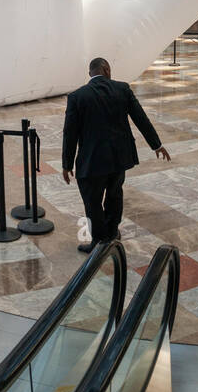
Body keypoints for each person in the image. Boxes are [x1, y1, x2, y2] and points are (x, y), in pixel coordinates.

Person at [61, 57, 170, 252]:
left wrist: (67, 164)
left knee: (92, 202)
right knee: (114, 195)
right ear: (107, 70)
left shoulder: (77, 97)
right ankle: (111, 233)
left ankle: (99, 242)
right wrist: (156, 145)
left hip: (92, 161)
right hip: (119, 158)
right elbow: (141, 119)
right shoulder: (122, 89)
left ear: (90, 74)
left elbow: (70, 134)